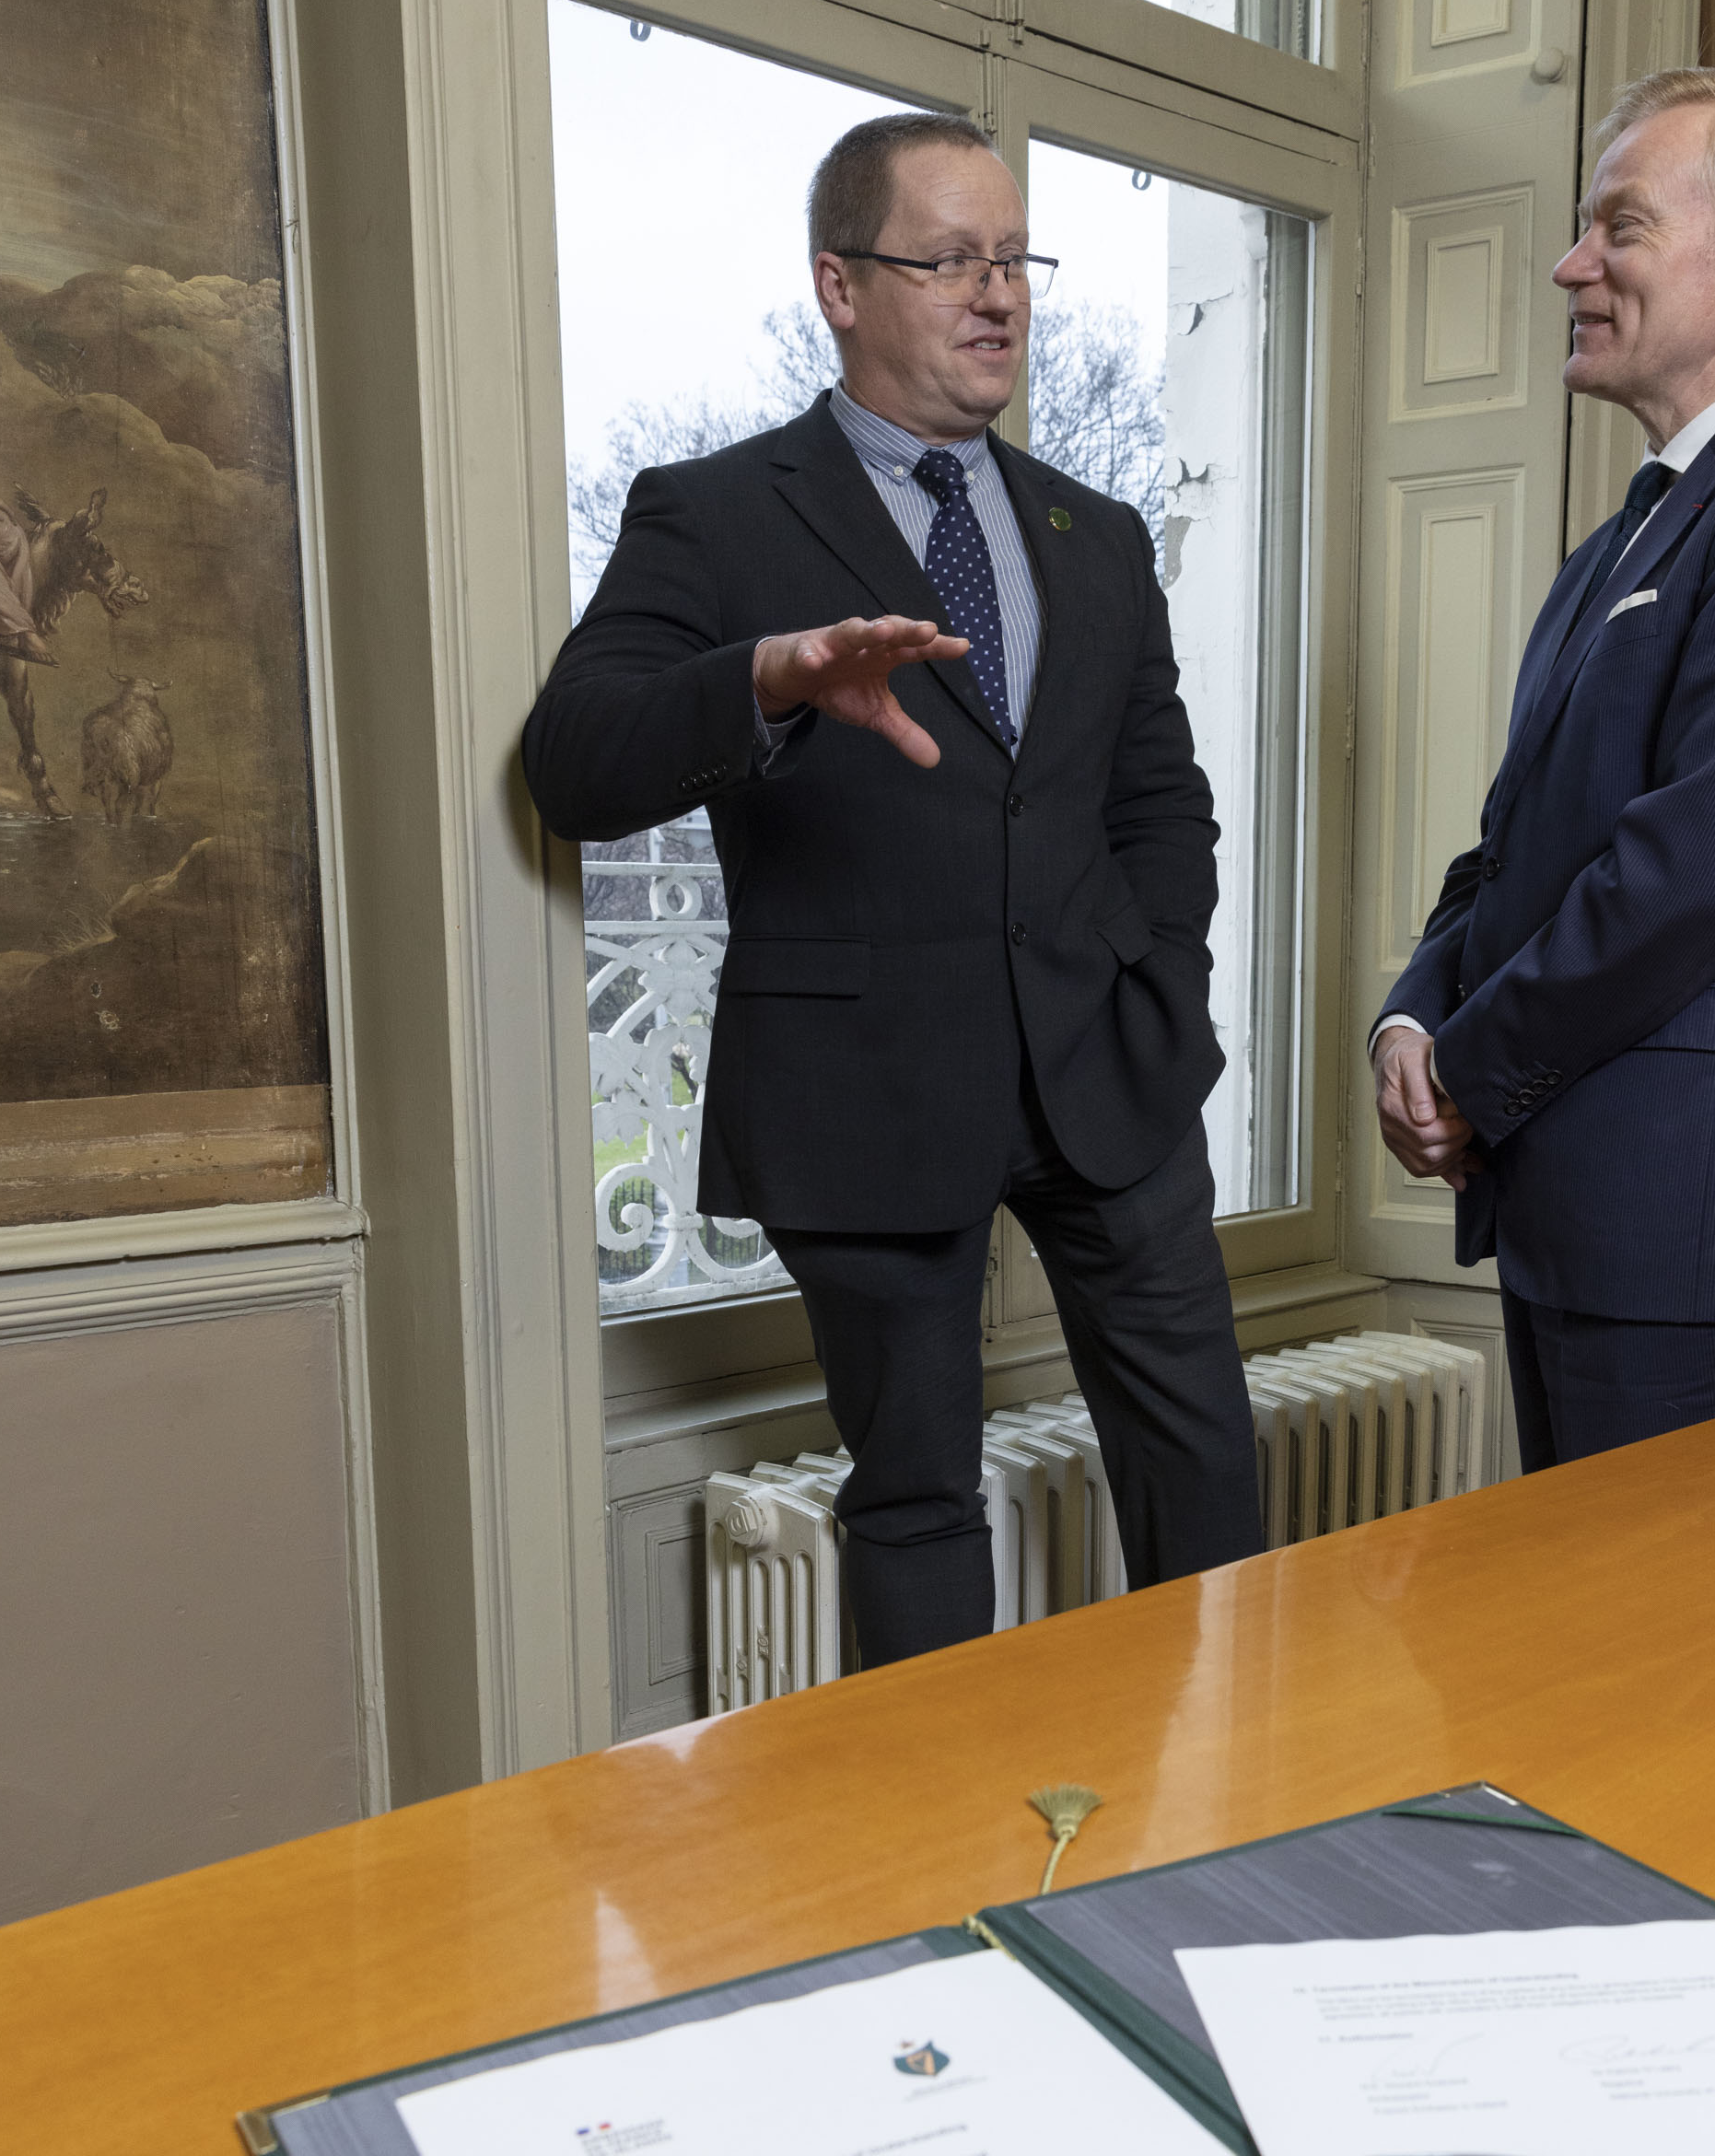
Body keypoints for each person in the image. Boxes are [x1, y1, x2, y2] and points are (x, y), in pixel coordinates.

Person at [523, 110, 1263, 1663]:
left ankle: (1231, 1829)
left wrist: (1163, 984)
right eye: (948, 261)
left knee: (1201, 1459)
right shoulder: (712, 513)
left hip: (1105, 1072)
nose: (996, 295)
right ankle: (944, 1875)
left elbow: (1156, 799)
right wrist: (771, 680)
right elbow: (577, 761)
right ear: (840, 285)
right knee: (916, 1492)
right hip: (862, 1084)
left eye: (1013, 261)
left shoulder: (1100, 535)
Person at [1371, 68, 1715, 1473]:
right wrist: (1406, 1024)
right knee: (1581, 1665)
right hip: (1572, 1195)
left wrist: (1469, 1073)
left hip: (1687, 1214)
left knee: (1672, 1679)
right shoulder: (1612, 547)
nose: (1571, 264)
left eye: (1617, 225)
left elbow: (1702, 865)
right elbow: (1513, 849)